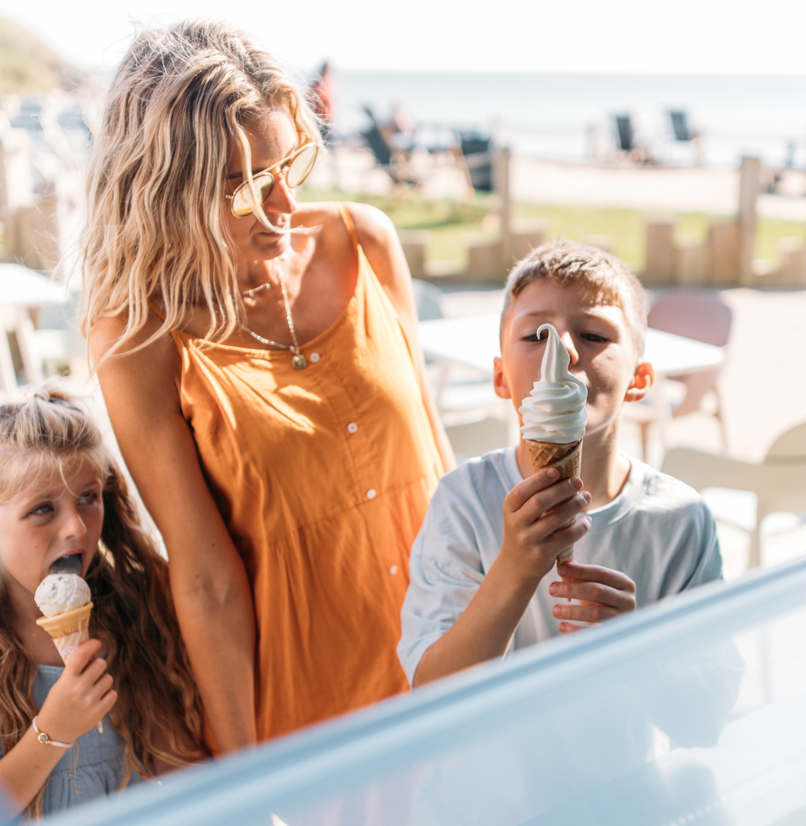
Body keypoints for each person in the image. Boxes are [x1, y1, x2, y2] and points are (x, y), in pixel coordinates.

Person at [81, 19, 452, 750]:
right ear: (167, 193)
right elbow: (206, 577)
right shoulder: (138, 335)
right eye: (245, 185)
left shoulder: (365, 241)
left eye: (291, 164)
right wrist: (244, 777)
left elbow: (437, 470)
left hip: (452, 669)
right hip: (308, 715)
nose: (283, 203)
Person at [398, 240, 723, 687]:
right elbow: (430, 689)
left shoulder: (681, 521)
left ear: (639, 380)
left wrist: (639, 652)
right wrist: (515, 568)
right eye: (536, 336)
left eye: (594, 336)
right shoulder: (464, 502)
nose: (565, 351)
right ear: (500, 377)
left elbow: (706, 718)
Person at [0, 390, 207, 819]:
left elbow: (177, 759)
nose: (76, 527)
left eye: (88, 498)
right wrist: (53, 730)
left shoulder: (125, 617)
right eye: (42, 508)